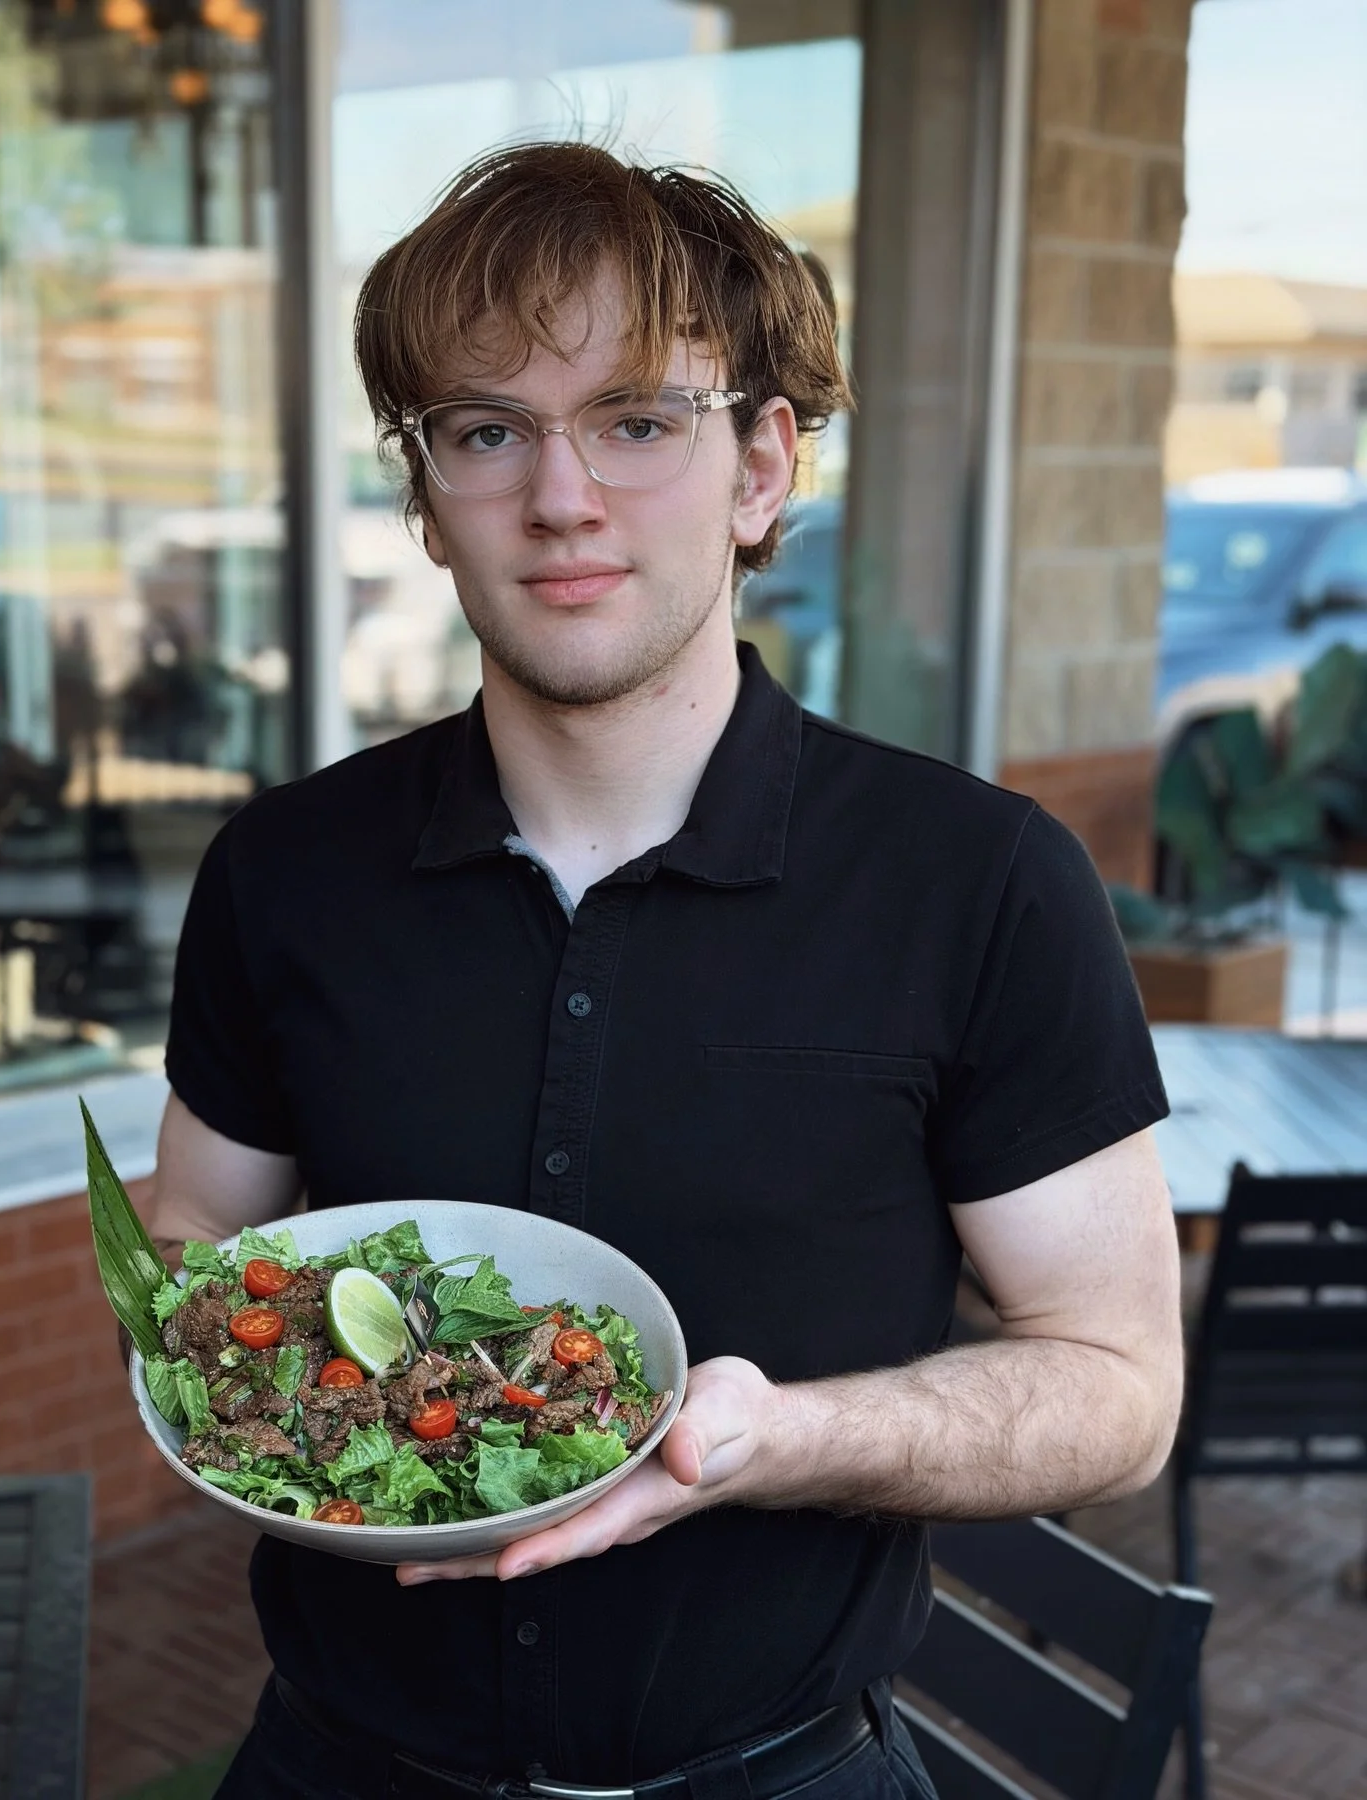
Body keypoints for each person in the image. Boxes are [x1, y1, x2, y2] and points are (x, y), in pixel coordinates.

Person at [148, 142, 1183, 1800]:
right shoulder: (283, 873)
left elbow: (1118, 1385)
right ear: (426, 498)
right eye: (485, 431)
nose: (562, 496)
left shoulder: (978, 882)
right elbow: (194, 1234)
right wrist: (238, 1378)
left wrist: (785, 1442)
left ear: (764, 466)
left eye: (638, 420)